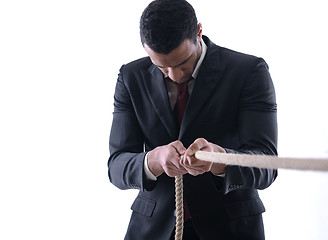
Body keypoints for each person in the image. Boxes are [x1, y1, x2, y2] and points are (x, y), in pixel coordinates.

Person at [108, 0, 278, 239]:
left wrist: (219, 161)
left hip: (231, 230)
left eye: (182, 63)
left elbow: (267, 165)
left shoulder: (249, 71)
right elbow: (116, 166)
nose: (174, 76)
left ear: (198, 31)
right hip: (152, 230)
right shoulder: (130, 76)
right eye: (161, 67)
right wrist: (154, 160)